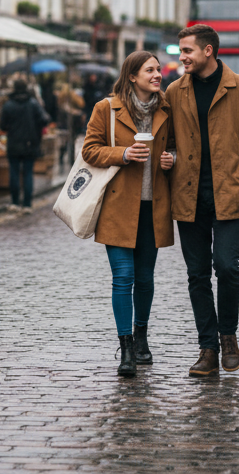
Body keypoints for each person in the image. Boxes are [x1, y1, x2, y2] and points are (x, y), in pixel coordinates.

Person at [167, 24, 239, 375]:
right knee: (197, 274)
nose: (181, 57)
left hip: (229, 194)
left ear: (208, 51)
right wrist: (166, 156)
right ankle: (208, 348)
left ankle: (228, 335)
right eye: (180, 51)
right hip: (187, 196)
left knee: (227, 267)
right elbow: (165, 139)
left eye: (187, 51)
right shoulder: (173, 92)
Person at [81, 51, 176, 376]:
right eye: (150, 70)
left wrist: (171, 160)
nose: (158, 74)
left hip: (153, 206)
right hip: (118, 207)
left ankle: (141, 337)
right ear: (132, 75)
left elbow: (177, 146)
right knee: (123, 277)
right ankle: (125, 349)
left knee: (145, 278)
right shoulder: (106, 109)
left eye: (158, 69)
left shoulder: (167, 108)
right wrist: (122, 153)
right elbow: (89, 149)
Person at [0, 80, 50, 214]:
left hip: (14, 144)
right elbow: (44, 119)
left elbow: (2, 126)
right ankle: (27, 204)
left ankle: (15, 202)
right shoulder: (33, 104)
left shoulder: (8, 105)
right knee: (28, 173)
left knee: (14, 173)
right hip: (30, 143)